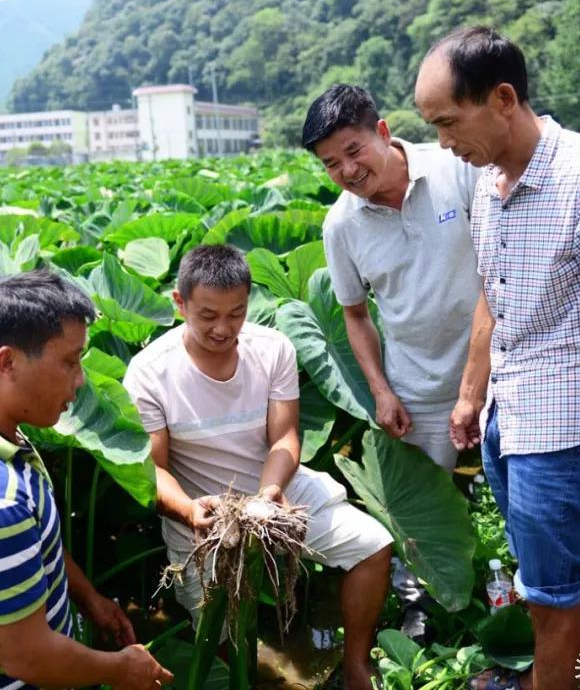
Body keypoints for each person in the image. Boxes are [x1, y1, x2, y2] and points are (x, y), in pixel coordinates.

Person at [415, 27, 580, 690]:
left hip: (564, 433)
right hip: (507, 420)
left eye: (446, 122)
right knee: (539, 581)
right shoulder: (490, 185)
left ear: (501, 99)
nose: (442, 143)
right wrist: (471, 393)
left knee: (555, 603)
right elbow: (492, 298)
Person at [122, 244, 394, 690]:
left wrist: (269, 492)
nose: (223, 328)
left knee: (373, 544)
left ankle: (356, 666)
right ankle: (252, 674)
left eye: (237, 313)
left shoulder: (273, 348)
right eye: (208, 315)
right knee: (224, 633)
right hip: (203, 512)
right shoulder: (150, 371)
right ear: (179, 302)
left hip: (277, 489)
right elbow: (155, 470)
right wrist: (189, 511)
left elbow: (285, 437)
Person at [0, 269, 173, 690]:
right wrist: (123, 668)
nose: (80, 379)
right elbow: (28, 658)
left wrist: (88, 598)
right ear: (7, 362)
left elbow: (29, 543)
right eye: (69, 361)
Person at [303, 83, 483, 471]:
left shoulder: (456, 168)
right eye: (331, 163)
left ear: (383, 132)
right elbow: (355, 315)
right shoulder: (340, 226)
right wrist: (381, 391)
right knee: (430, 513)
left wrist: (474, 386)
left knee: (518, 499)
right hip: (420, 392)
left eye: (354, 150)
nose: (348, 171)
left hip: (497, 374)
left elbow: (502, 272)